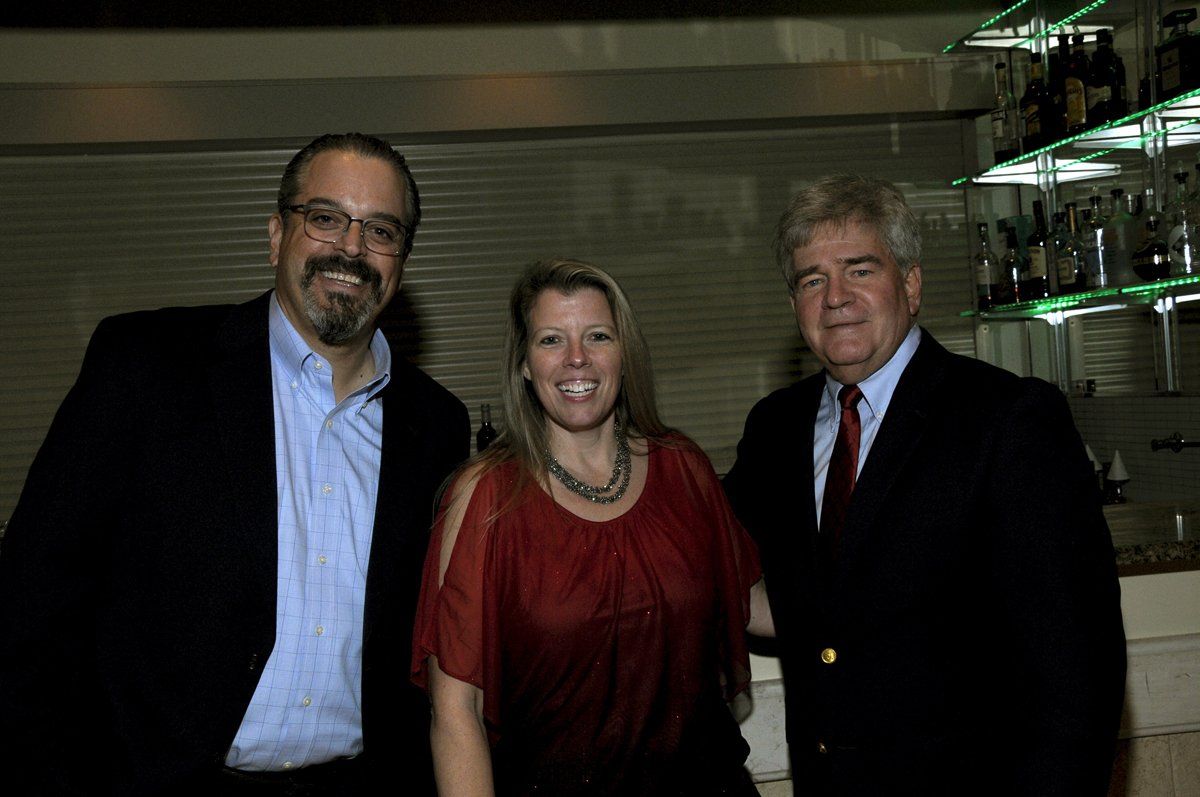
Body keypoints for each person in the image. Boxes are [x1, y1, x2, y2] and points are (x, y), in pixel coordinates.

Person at [0, 132, 469, 794]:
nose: (351, 248)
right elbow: (31, 601)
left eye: (381, 229)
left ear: (402, 261)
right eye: (326, 217)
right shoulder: (147, 367)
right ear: (277, 234)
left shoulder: (437, 427)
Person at [723, 174, 1127, 795]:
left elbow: (1078, 670)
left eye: (859, 270)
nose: (835, 297)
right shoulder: (775, 428)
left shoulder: (1008, 418)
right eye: (811, 279)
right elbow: (718, 560)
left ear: (910, 284)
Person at [411, 258, 772, 796]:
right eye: (552, 339)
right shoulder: (486, 499)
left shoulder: (685, 469)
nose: (576, 358)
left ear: (624, 354)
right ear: (526, 364)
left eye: (597, 336)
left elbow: (755, 602)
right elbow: (457, 711)